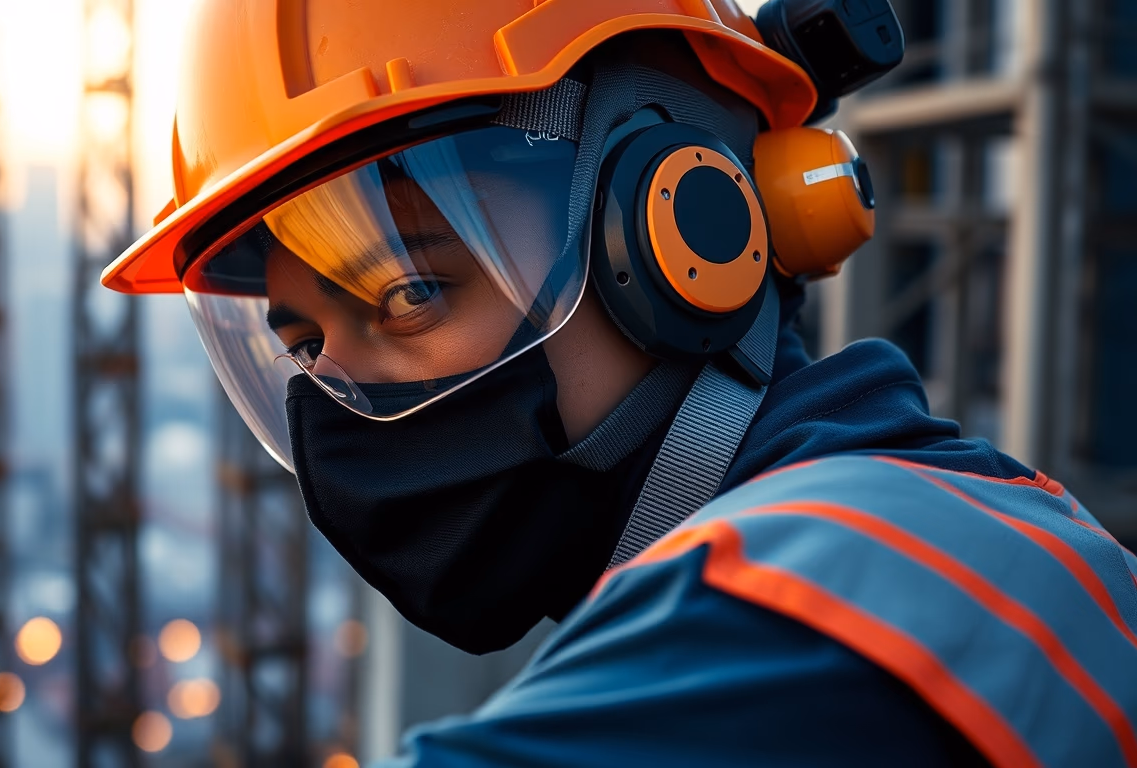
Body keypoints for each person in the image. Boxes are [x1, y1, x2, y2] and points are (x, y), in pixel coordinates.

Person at [103, 0, 1137, 764]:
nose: (348, 407)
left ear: (689, 223)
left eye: (411, 291)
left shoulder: (806, 618)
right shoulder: (958, 525)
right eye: (305, 347)